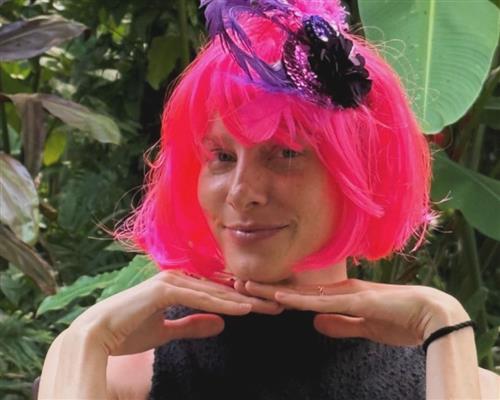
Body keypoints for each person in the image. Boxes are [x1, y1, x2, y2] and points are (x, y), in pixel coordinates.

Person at [38, 1, 499, 399]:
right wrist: (80, 341)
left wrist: (445, 325)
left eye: (286, 153)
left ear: (359, 172)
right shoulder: (115, 378)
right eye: (221, 157)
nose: (242, 192)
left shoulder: (459, 380)